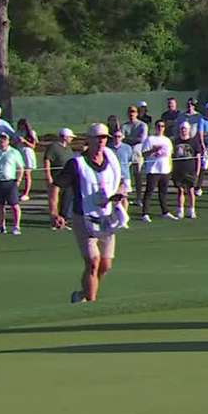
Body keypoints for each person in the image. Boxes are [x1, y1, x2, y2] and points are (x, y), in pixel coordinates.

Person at [53, 123, 129, 304]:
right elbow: (56, 186)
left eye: (105, 138)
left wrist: (119, 195)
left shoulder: (111, 158)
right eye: (98, 138)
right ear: (89, 140)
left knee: (105, 265)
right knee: (93, 262)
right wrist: (55, 212)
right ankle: (91, 304)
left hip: (107, 217)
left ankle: (82, 295)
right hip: (83, 218)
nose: (102, 141)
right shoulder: (76, 163)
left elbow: (120, 182)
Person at [0, 131, 25, 235]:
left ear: (8, 141)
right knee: (0, 205)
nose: (2, 141)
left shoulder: (14, 152)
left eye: (4, 139)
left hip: (10, 182)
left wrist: (18, 180)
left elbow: (20, 168)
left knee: (14, 205)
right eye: (0, 139)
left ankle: (16, 226)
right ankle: (1, 226)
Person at [139, 120, 175, 220]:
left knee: (163, 192)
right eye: (158, 126)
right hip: (153, 170)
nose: (160, 128)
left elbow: (170, 155)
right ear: (155, 127)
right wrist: (154, 150)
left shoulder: (167, 140)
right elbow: (144, 154)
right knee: (149, 192)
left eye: (162, 126)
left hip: (165, 170)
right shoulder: (150, 139)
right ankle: (145, 213)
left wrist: (170, 168)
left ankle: (165, 212)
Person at [43, 128, 77, 230]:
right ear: (65, 137)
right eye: (70, 137)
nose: (71, 139)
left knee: (66, 199)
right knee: (54, 201)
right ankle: (54, 221)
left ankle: (63, 221)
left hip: (68, 179)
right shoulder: (53, 147)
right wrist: (48, 176)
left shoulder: (68, 148)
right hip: (56, 178)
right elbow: (47, 161)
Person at [170, 121, 203, 220]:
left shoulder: (194, 142)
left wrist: (197, 171)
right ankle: (180, 210)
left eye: (185, 129)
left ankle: (191, 210)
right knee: (180, 190)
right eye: (182, 129)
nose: (184, 130)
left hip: (190, 170)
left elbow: (198, 158)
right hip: (178, 170)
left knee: (190, 190)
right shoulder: (175, 142)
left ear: (189, 130)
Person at [122, 105, 149, 187]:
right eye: (129, 112)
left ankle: (138, 194)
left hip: (137, 152)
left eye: (133, 111)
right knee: (124, 174)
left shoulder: (143, 125)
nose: (131, 113)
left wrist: (128, 139)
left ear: (137, 113)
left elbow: (142, 139)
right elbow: (121, 139)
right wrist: (132, 139)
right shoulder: (124, 126)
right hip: (126, 152)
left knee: (138, 174)